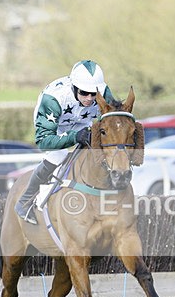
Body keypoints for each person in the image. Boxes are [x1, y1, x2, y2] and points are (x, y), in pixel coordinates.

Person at [14, 60, 115, 224]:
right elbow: (43, 141)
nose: (89, 98)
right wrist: (74, 137)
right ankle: (24, 202)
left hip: (84, 121)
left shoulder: (104, 92)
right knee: (58, 155)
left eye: (93, 94)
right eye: (84, 92)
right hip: (56, 126)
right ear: (74, 87)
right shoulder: (53, 99)